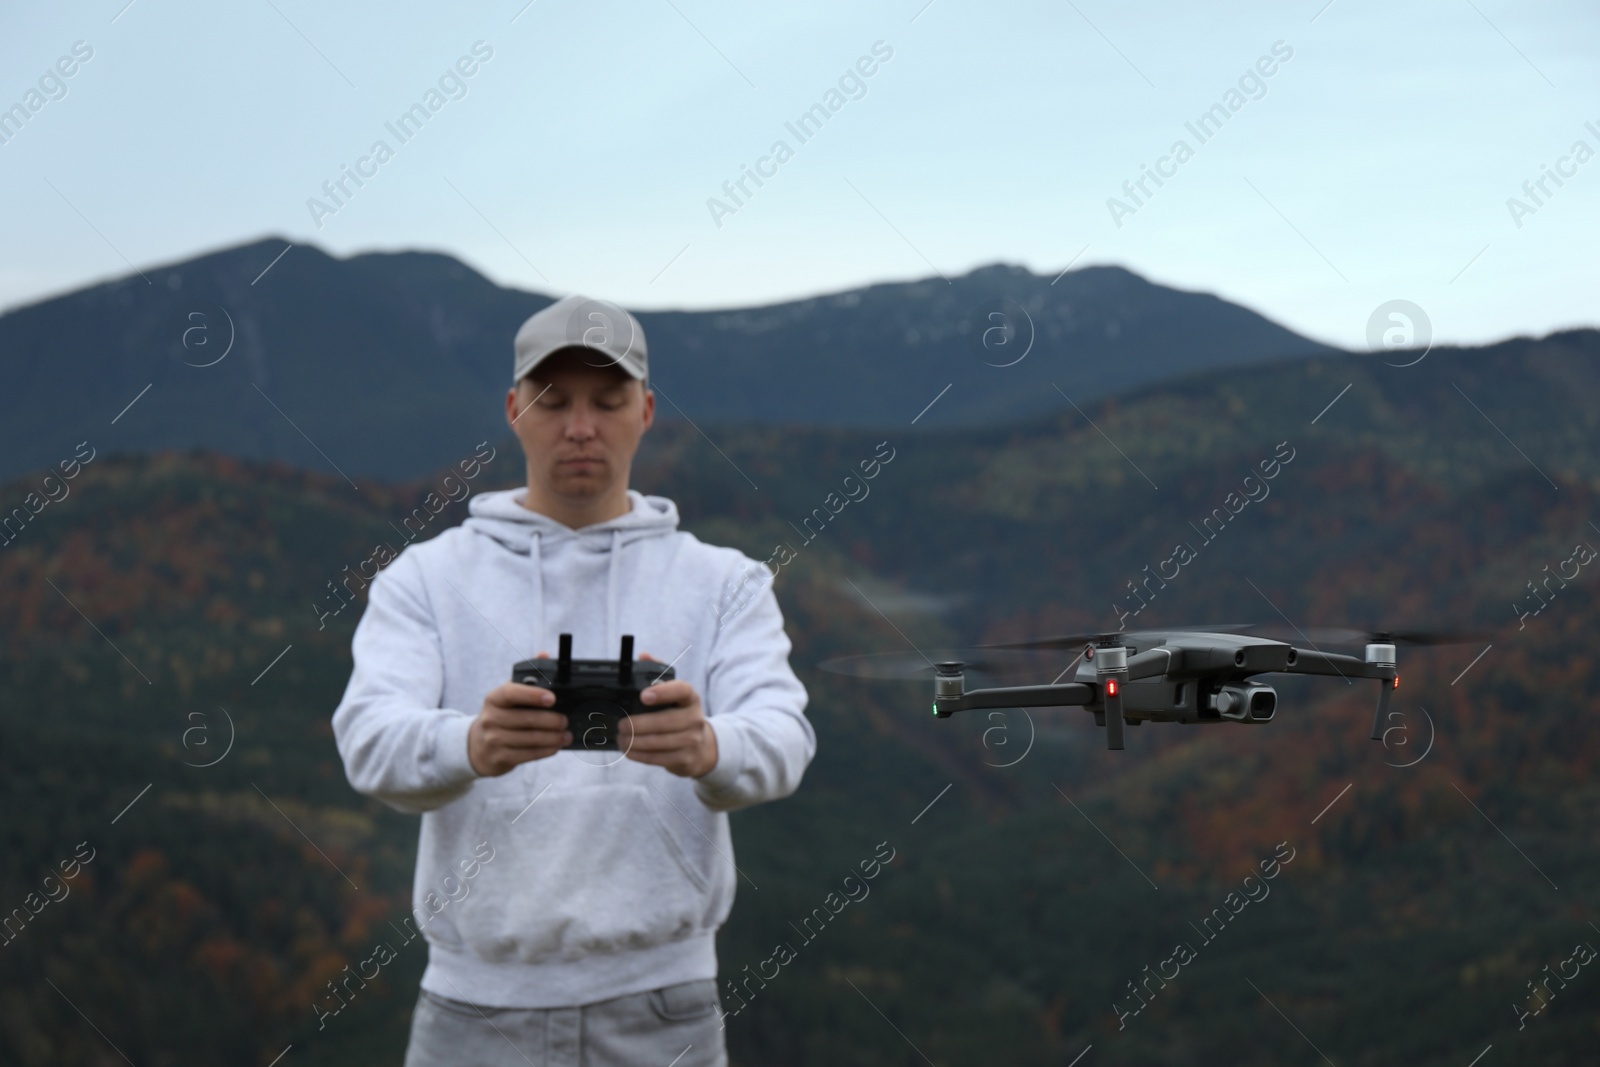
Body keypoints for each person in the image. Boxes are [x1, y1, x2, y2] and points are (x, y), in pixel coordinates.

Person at [331, 295, 815, 1067]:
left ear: (647, 409)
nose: (580, 425)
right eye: (554, 400)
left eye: (607, 399)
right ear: (515, 408)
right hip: (474, 1009)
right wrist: (472, 743)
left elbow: (786, 737)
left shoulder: (725, 583)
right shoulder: (425, 578)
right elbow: (368, 741)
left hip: (665, 1004)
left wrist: (707, 745)